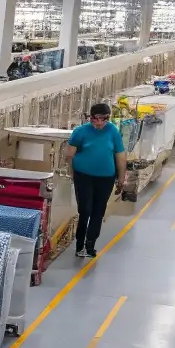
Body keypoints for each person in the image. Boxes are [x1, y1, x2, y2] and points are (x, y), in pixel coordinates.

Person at [66, 102, 127, 258]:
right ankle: (79, 244)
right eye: (95, 119)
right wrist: (71, 174)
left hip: (106, 178)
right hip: (83, 176)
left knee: (98, 211)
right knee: (85, 210)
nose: (99, 123)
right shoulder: (80, 132)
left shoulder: (113, 131)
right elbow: (70, 155)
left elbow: (120, 156)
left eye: (103, 119)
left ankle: (90, 243)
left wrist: (121, 178)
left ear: (108, 118)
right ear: (90, 117)